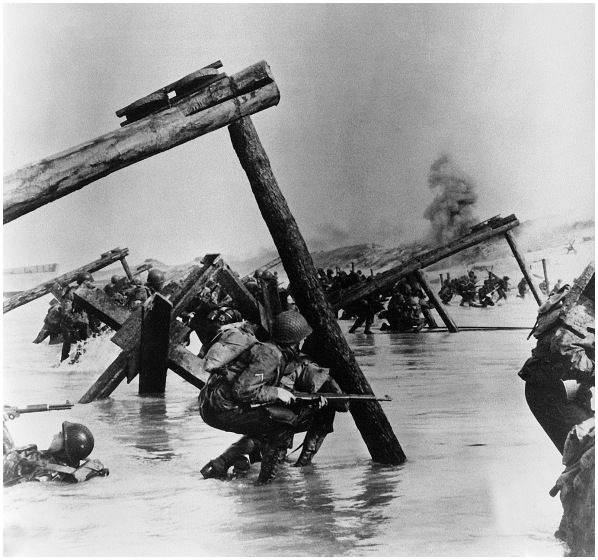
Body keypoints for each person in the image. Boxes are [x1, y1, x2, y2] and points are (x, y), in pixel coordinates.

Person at [198, 310, 346, 483]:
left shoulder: (272, 352)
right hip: (220, 409)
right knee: (284, 421)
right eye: (302, 338)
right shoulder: (271, 356)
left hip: (215, 405)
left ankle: (223, 464)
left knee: (271, 420)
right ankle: (265, 483)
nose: (304, 340)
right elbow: (243, 390)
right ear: (294, 341)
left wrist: (308, 400)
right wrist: (277, 393)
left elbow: (262, 386)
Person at [517, 267, 594, 454]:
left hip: (563, 389)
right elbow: (563, 348)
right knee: (585, 456)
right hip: (550, 392)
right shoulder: (582, 312)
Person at [3, 420, 108, 486]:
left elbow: (8, 460)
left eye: (59, 435)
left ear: (65, 448)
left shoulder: (46, 470)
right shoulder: (63, 467)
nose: (54, 436)